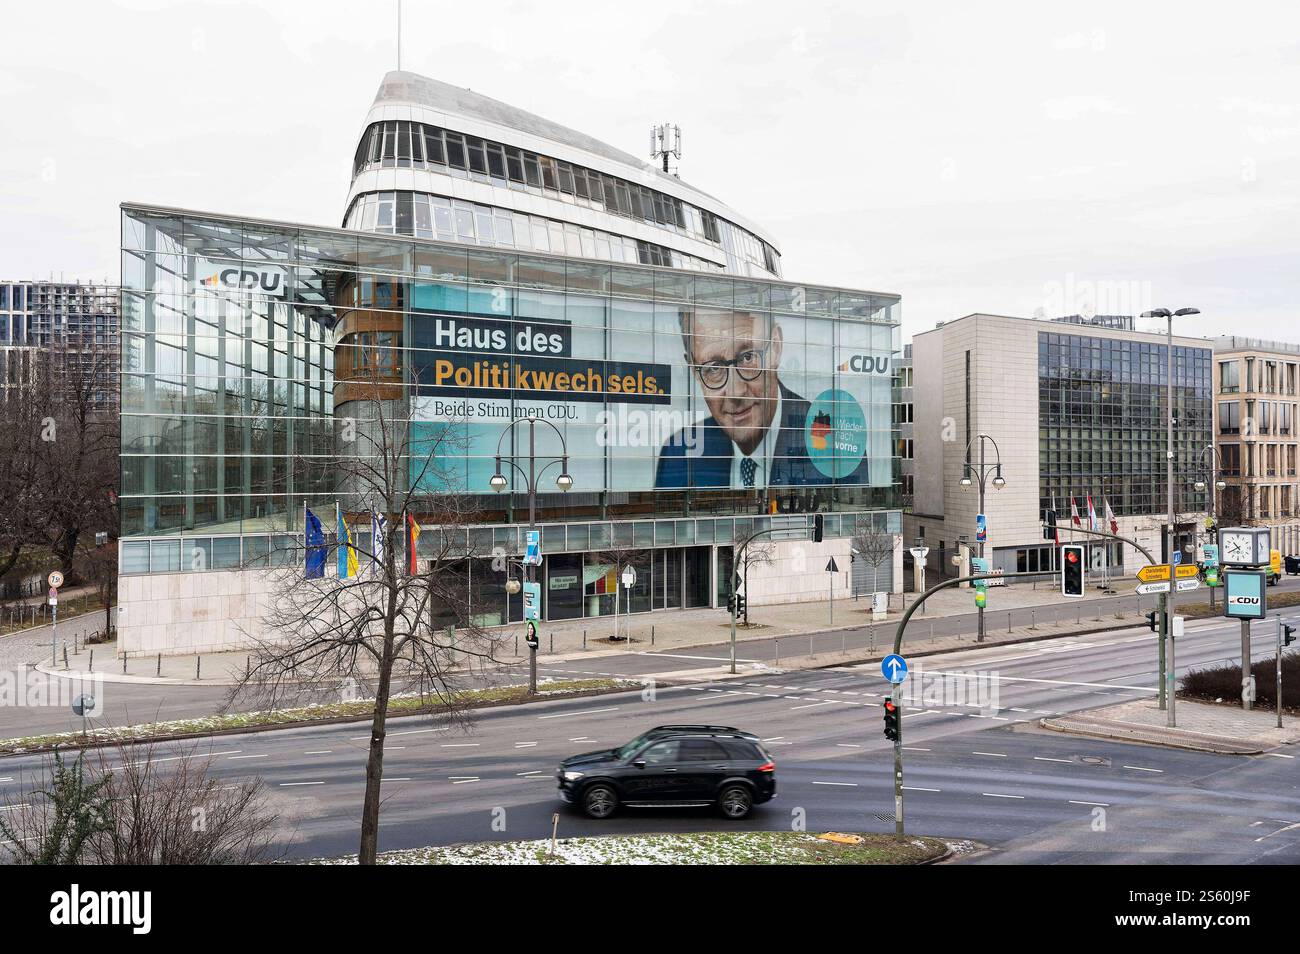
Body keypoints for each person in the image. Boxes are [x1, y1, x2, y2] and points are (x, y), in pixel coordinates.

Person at [655, 309, 827, 489]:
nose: (735, 392)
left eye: (748, 357)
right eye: (714, 368)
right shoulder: (677, 457)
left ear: (775, 347)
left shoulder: (836, 450)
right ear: (693, 369)